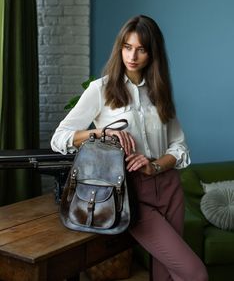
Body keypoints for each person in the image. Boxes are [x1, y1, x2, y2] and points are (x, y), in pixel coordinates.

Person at [51, 15, 208, 281]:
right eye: (127, 47)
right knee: (194, 273)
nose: (132, 55)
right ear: (120, 48)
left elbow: (179, 147)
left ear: (152, 53)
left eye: (141, 49)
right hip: (131, 193)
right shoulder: (100, 90)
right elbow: (60, 138)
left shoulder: (159, 91)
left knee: (166, 275)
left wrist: (155, 165)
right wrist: (103, 133)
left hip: (169, 188)